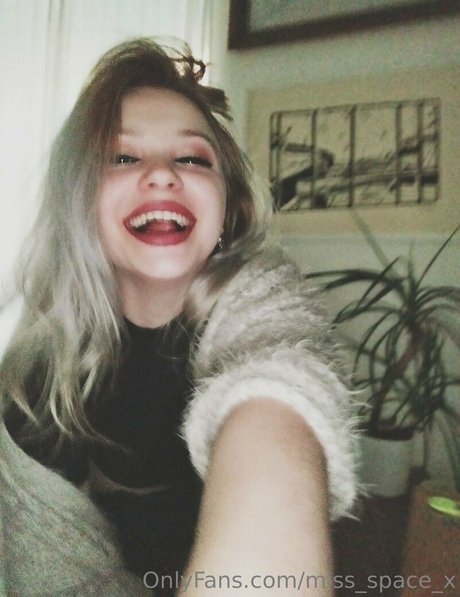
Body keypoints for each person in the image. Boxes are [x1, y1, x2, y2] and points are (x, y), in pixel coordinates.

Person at [0, 38, 357, 596]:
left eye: (192, 158)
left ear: (229, 205)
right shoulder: (32, 382)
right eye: (123, 158)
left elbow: (282, 379)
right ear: (79, 202)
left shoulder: (263, 305)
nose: (163, 174)